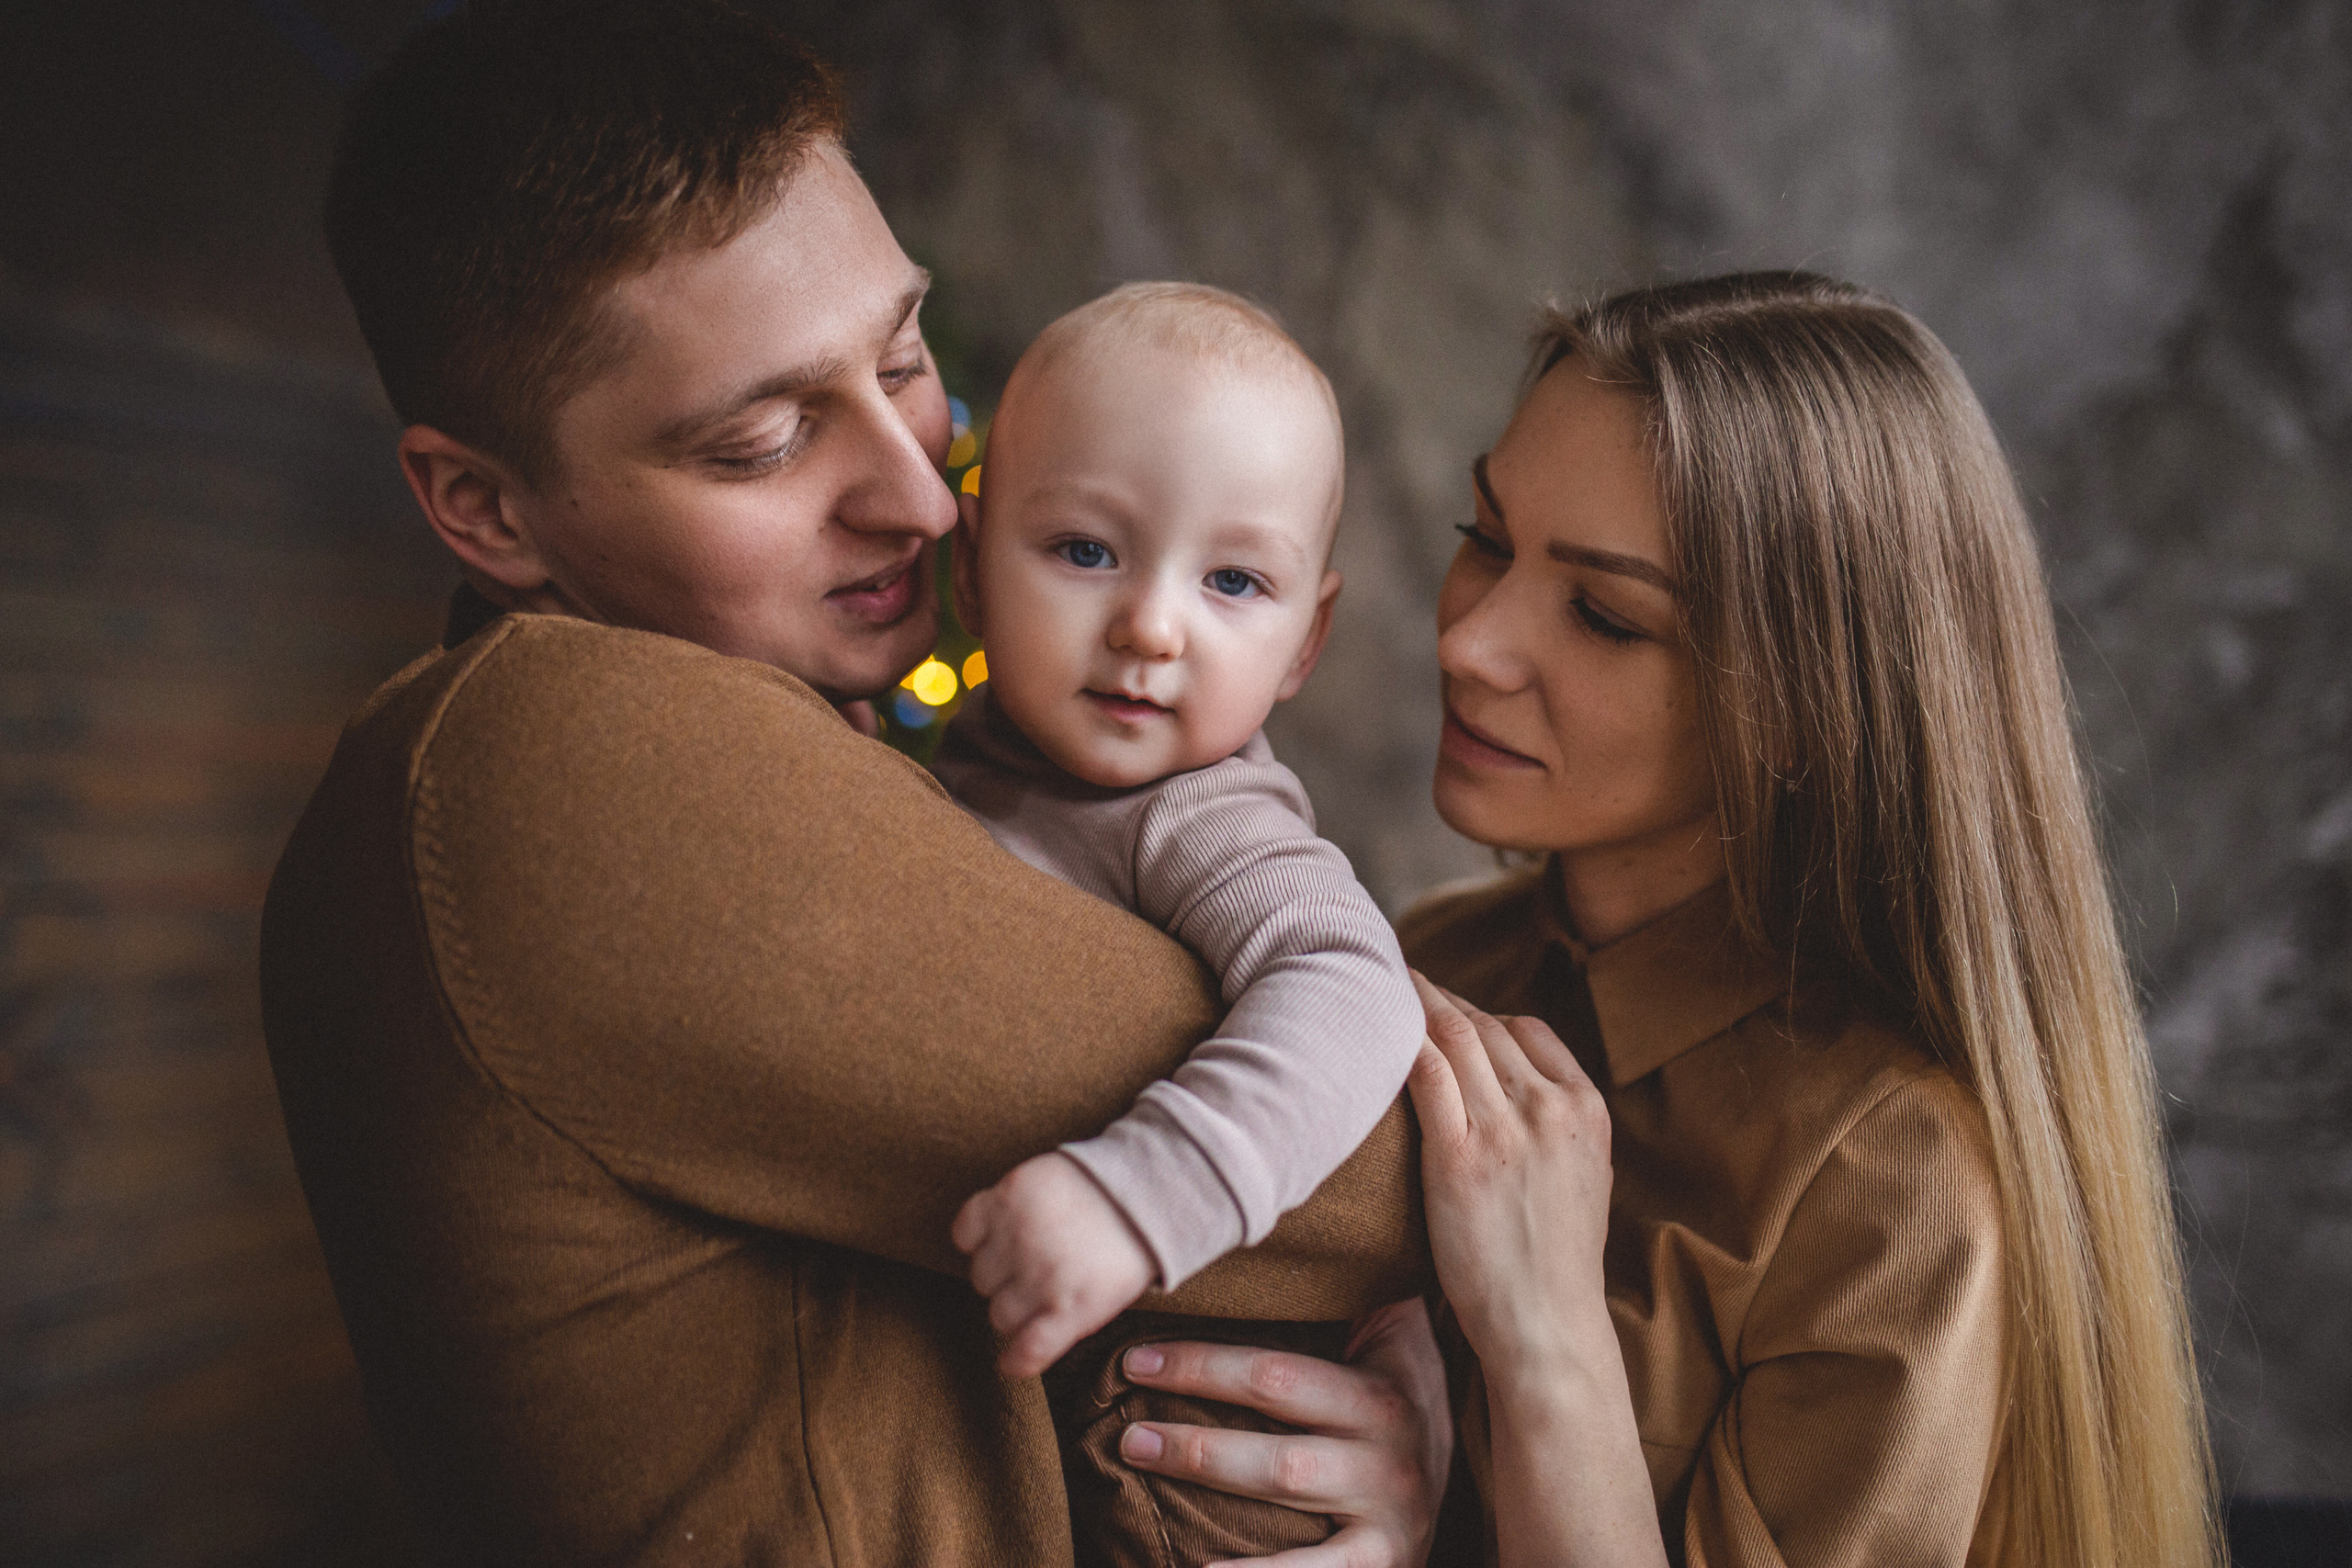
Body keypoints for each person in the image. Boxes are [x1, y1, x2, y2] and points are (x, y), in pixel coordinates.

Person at [260, 3, 1446, 1563]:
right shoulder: (555, 757)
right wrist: (1497, 1345)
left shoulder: (864, 733)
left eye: (903, 357)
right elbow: (1374, 1183)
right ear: (484, 508)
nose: (917, 491)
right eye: (760, 442)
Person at [1362, 271, 2220, 1565]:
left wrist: (1545, 1346)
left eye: (1602, 613)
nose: (1470, 640)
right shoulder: (1428, 959)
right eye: (1486, 537)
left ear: (1807, 704)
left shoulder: (1893, 1186)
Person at [933, 282, 1424, 1563]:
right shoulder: (949, 772)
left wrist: (1138, 1197)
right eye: (1087, 550)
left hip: (1184, 1476)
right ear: (971, 562)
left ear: (1304, 642)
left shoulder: (1202, 817)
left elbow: (1354, 984)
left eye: (1234, 580)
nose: (1152, 624)